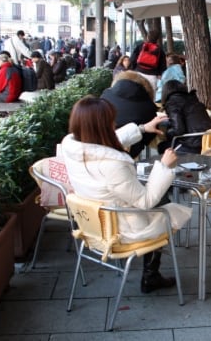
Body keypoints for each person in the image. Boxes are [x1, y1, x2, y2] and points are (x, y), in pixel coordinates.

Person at [61, 96, 191, 293]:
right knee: (163, 204)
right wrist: (164, 166)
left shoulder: (73, 148)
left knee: (159, 197)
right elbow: (145, 201)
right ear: (102, 127)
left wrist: (141, 129)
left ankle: (151, 274)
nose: (114, 124)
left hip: (92, 224)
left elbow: (102, 147)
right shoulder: (113, 165)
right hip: (121, 231)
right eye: (111, 121)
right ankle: (150, 276)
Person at [101, 70, 158, 157]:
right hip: (131, 150)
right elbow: (150, 134)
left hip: (102, 142)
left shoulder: (105, 95)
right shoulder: (149, 106)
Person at [158, 80, 211, 154]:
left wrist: (166, 133)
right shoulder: (193, 99)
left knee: (162, 146)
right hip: (209, 141)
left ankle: (167, 165)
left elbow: (178, 130)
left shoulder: (173, 103)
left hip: (193, 145)